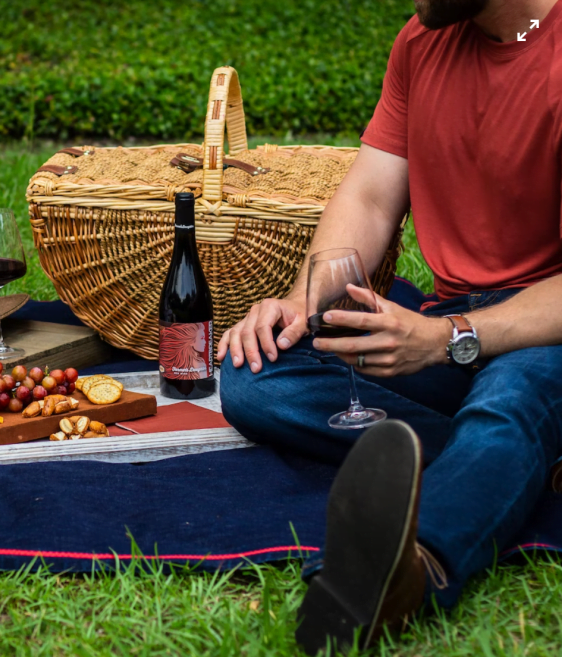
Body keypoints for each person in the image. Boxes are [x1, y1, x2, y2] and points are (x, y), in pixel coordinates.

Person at [218, 0, 562, 652]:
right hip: (447, 329)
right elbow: (371, 199)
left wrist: (450, 335)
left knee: (514, 394)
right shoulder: (419, 43)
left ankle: (409, 569)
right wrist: (298, 302)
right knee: (255, 371)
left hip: (544, 335)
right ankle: (514, 460)